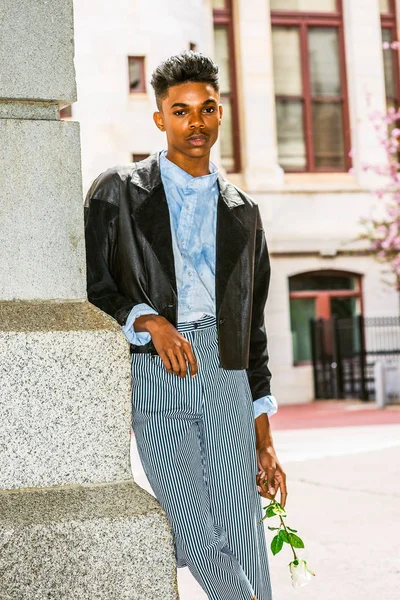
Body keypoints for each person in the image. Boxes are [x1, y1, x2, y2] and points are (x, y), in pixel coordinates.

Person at [84, 50, 287, 600]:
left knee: (241, 527)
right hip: (160, 372)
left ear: (221, 115)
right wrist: (147, 319)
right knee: (194, 528)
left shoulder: (243, 210)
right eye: (180, 111)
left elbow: (254, 327)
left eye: (207, 109)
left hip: (227, 372)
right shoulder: (118, 192)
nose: (195, 123)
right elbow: (92, 286)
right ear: (160, 119)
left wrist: (262, 435)